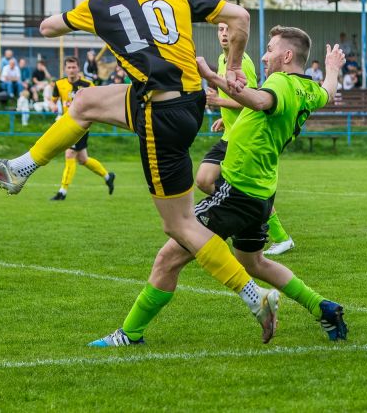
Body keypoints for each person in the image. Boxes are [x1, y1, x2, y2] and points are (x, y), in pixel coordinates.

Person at [0, 0, 280, 343]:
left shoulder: (97, 6)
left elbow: (47, 28)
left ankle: (252, 294)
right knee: (85, 103)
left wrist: (66, 18)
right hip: (186, 101)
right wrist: (237, 64)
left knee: (181, 226)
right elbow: (239, 16)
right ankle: (19, 169)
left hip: (160, 114)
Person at [88, 27, 348, 347]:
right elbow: (328, 90)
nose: (265, 55)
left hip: (237, 190)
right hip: (263, 193)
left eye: (269, 49)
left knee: (168, 258)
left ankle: (130, 334)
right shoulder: (308, 88)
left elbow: (257, 98)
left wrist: (210, 75)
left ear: (287, 56)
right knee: (253, 262)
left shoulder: (280, 82)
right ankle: (323, 307)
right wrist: (333, 68)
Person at [198, 23, 295, 256]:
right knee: (204, 181)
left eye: (228, 29)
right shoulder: (223, 60)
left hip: (240, 138)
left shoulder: (244, 63)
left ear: (238, 35)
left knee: (214, 183)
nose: (224, 33)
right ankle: (244, 222)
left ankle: (276, 235)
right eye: (220, 29)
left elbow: (252, 101)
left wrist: (219, 103)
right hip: (230, 133)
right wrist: (225, 117)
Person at [48, 56, 115, 201]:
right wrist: (53, 106)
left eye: (74, 67)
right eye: (69, 67)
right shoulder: (59, 84)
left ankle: (62, 192)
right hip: (66, 124)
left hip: (81, 125)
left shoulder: (87, 84)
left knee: (69, 154)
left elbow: (97, 102)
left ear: (78, 68)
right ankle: (108, 176)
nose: (71, 70)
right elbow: (53, 101)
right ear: (65, 69)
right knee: (83, 159)